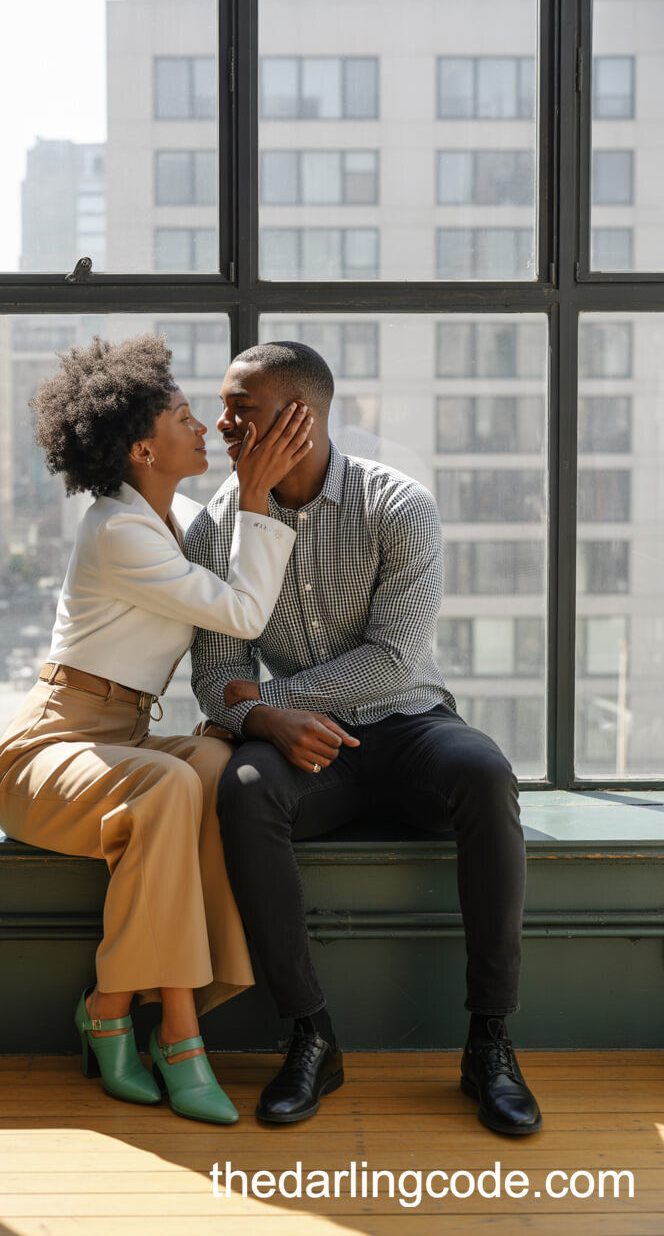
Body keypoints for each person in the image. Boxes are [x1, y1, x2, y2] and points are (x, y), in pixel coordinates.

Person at [185, 340, 542, 1135]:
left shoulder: (398, 504)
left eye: (241, 409)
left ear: (300, 418)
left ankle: (489, 1040)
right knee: (242, 792)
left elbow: (393, 658)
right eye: (223, 406)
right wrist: (266, 721)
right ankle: (310, 1035)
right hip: (303, 753)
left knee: (486, 773)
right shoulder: (213, 529)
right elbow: (214, 677)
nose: (222, 424)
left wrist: (268, 699)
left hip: (408, 723)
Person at [0, 332, 313, 1126]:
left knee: (211, 760)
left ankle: (113, 1008)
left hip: (119, 738)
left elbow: (240, 588)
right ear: (141, 448)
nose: (202, 427)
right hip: (48, 746)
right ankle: (177, 1031)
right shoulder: (117, 530)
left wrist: (259, 472)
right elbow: (240, 608)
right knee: (171, 779)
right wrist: (258, 496)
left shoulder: (180, 518)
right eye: (182, 416)